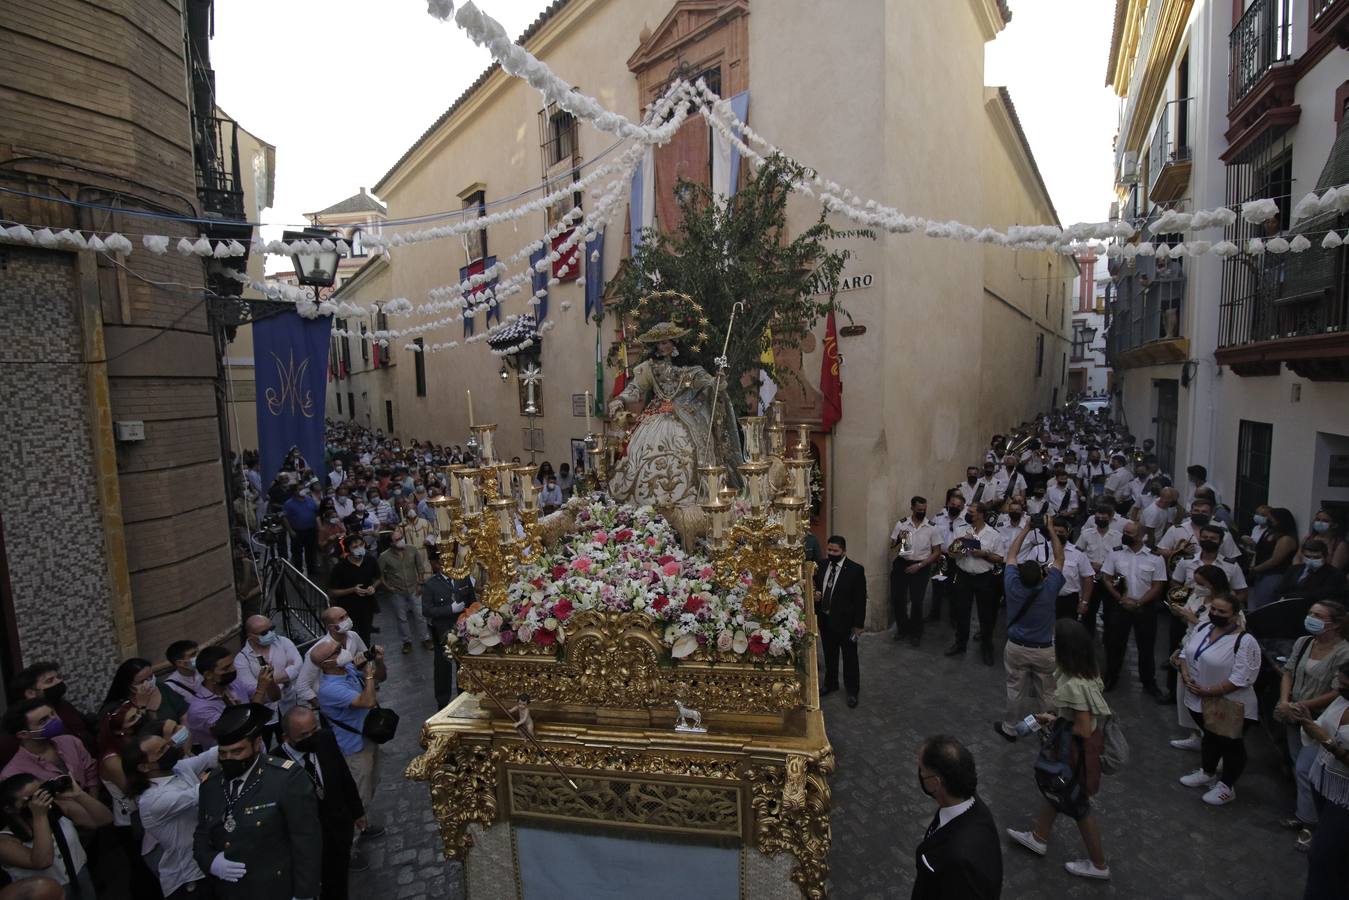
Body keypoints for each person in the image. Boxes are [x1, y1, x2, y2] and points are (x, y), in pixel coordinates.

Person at [1005, 619, 1112, 881]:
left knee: (1079, 805)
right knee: (1056, 792)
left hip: (1075, 751)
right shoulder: (1089, 669)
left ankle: (1099, 865)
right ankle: (1039, 836)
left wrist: (1055, 722)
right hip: (1077, 748)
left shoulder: (1076, 684)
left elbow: (1083, 728)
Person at [607, 321, 745, 507]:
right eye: (659, 343)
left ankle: (695, 499)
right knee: (639, 450)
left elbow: (708, 385)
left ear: (675, 343)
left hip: (686, 418)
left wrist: (717, 382)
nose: (662, 347)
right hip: (656, 419)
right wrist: (620, 399)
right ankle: (645, 501)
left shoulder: (690, 369)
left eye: (666, 342)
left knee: (691, 450)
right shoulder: (649, 368)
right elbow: (635, 388)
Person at [192, 704, 321, 900]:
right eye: (223, 753)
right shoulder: (211, 786)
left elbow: (306, 840)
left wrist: (304, 894)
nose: (229, 759)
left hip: (277, 888)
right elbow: (202, 835)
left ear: (257, 743)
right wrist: (210, 861)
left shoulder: (285, 779)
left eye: (237, 752)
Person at [1275, 601, 1349, 850]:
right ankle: (1303, 814)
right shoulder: (1304, 642)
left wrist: (1302, 706)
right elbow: (1289, 671)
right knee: (1298, 764)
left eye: (1318, 615)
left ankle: (1311, 824)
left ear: (1335, 623)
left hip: (1319, 717)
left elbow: (1338, 691)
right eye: (1310, 613)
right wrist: (1286, 701)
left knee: (1309, 770)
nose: (1311, 618)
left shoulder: (1343, 652)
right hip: (1293, 712)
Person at [1177, 593, 1261, 806]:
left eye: (1222, 611)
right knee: (1210, 737)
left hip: (1230, 704)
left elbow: (1242, 678)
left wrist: (1209, 690)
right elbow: (1186, 653)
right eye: (1213, 609)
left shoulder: (1245, 641)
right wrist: (1186, 675)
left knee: (1230, 744)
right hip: (1199, 699)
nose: (1215, 614)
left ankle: (1227, 785)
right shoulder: (1203, 628)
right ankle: (1207, 772)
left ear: (1235, 615)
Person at [279, 706, 367, 896]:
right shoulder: (276, 761)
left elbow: (344, 775)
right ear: (286, 737)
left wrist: (357, 811)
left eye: (314, 730)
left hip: (337, 829)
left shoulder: (325, 739)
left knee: (338, 884)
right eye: (304, 735)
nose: (312, 737)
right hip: (305, 841)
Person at [122, 728, 218, 899]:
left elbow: (209, 757)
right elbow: (201, 792)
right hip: (189, 881)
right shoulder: (152, 800)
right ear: (144, 766)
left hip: (209, 865)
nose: (170, 750)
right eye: (161, 751)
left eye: (167, 745)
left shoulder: (178, 769)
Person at [993, 519, 1065, 742]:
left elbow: (1012, 554)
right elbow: (1060, 558)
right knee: (1047, 693)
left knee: (1015, 690)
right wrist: (1051, 529)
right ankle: (1048, 730)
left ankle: (1010, 727)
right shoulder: (1049, 588)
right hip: (1044, 650)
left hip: (1016, 647)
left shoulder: (1012, 585)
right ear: (1042, 577)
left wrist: (1026, 528)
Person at [911, 735, 1002, 899]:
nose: (919, 774)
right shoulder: (975, 808)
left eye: (922, 770)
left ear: (935, 783)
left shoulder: (957, 860)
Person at [313, 641, 385, 840]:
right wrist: (368, 674)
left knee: (371, 782)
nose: (342, 651)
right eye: (336, 651)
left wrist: (376, 662)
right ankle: (350, 843)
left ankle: (363, 826)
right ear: (326, 664)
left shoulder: (347, 670)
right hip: (354, 748)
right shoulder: (329, 689)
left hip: (367, 738)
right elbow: (367, 701)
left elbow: (382, 678)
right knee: (358, 794)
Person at [1290, 661, 1349, 898]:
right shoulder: (1342, 700)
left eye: (1345, 683)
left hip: (1345, 799)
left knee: (1323, 857)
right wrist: (1305, 719)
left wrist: (1328, 742)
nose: (1339, 686)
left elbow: (1326, 737)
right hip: (1324, 783)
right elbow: (1321, 726)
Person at [0, 773, 111, 897]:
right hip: (45, 893)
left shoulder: (58, 809)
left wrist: (79, 795)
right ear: (9, 809)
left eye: (41, 792)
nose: (40, 800)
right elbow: (43, 862)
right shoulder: (5, 840)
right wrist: (40, 816)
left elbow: (104, 820)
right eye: (32, 798)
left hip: (80, 876)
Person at [1101, 521, 1167, 698]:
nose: (1125, 535)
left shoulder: (1155, 558)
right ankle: (1111, 677)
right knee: (1115, 644)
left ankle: (1148, 682)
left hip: (1144, 607)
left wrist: (1139, 603)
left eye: (1129, 533)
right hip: (1121, 606)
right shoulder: (1115, 554)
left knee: (1146, 646)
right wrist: (1120, 598)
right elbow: (1106, 578)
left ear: (1140, 536)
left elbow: (1157, 585)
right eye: (1124, 532)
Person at [945, 503, 1004, 666]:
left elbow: (999, 558)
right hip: (963, 575)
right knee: (961, 611)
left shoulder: (994, 535)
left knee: (986, 615)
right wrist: (960, 546)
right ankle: (960, 643)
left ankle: (987, 647)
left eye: (971, 512)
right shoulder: (962, 530)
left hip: (984, 578)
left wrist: (983, 554)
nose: (968, 514)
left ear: (981, 514)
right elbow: (951, 553)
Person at [813, 536, 866, 708]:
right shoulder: (821, 566)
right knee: (829, 654)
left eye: (835, 551)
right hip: (826, 620)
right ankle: (831, 683)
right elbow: (815, 586)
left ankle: (852, 691)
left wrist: (858, 626)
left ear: (843, 551)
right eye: (829, 550)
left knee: (850, 658)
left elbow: (860, 600)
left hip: (846, 623)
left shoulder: (855, 570)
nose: (831, 553)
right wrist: (816, 594)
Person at [422, 548, 476, 709]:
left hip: (463, 632)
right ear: (437, 564)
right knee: (442, 670)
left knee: (464, 667)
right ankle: (442, 702)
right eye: (442, 562)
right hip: (443, 634)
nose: (447, 564)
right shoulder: (431, 585)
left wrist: (469, 614)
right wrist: (449, 610)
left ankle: (464, 696)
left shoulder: (463, 578)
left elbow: (472, 602)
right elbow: (427, 610)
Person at [0, 702, 97, 791]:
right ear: (23, 734)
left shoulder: (71, 741)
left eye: (52, 714)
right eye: (43, 720)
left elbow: (91, 774)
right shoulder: (12, 774)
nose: (54, 720)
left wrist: (93, 804)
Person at [234, 615, 302, 740]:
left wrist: (267, 681)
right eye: (264, 632)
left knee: (293, 739)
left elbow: (297, 666)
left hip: (288, 704)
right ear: (250, 636)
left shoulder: (283, 642)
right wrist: (285, 676)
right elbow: (252, 689)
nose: (271, 633)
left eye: (272, 628)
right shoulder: (242, 659)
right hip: (265, 714)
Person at [186, 646, 268, 750]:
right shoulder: (199, 709)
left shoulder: (234, 684)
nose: (233, 669)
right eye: (226, 668)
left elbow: (273, 697)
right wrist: (261, 689)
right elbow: (236, 732)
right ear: (208, 675)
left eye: (232, 664)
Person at [295, 608, 378, 709]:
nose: (347, 619)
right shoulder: (317, 652)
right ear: (331, 627)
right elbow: (301, 686)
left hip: (355, 694)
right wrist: (323, 707)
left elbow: (365, 657)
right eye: (341, 618)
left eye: (347, 615)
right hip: (335, 700)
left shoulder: (353, 636)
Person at [4, 665, 94, 757]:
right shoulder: (20, 723)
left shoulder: (63, 705)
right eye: (49, 681)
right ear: (30, 693)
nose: (58, 682)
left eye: (58, 677)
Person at [890, 496, 941, 647]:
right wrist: (898, 539)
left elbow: (937, 551)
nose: (922, 512)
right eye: (919, 510)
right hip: (902, 564)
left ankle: (916, 632)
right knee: (898, 599)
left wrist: (920, 565)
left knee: (917, 602)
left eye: (924, 510)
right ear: (912, 508)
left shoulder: (932, 527)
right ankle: (902, 629)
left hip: (921, 566)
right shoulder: (902, 524)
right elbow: (892, 546)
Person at [378, 526, 432, 654]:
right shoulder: (384, 557)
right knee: (401, 617)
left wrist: (420, 583)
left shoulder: (412, 550)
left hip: (414, 588)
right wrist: (388, 587)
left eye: (401, 538)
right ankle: (406, 641)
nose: (400, 541)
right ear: (391, 543)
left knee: (420, 615)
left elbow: (420, 567)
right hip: (397, 592)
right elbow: (379, 575)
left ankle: (425, 638)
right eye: (397, 540)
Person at [328, 536, 383, 646]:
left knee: (365, 636)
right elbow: (332, 592)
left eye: (361, 545)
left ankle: (366, 658)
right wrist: (352, 590)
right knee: (350, 638)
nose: (359, 548)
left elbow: (379, 578)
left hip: (368, 605)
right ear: (348, 550)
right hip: (348, 609)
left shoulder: (370, 560)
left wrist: (373, 587)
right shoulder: (340, 567)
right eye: (355, 547)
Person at [102, 656, 185, 729]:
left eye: (150, 676)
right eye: (141, 681)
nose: (149, 682)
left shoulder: (161, 687)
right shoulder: (120, 708)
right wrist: (142, 705)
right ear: (129, 686)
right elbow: (145, 730)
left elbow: (184, 713)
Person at [1250, 507, 1300, 609]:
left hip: (1274, 575)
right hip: (1260, 573)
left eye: (1271, 518)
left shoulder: (1286, 539)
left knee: (1265, 605)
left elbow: (1275, 560)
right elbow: (1259, 550)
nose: (1269, 520)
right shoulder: (1268, 532)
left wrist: (1256, 569)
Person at [1276, 539, 1348, 606]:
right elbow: (1280, 590)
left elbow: (1320, 595)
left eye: (1316, 557)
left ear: (1325, 556)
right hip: (1288, 606)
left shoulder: (1335, 574)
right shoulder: (1293, 569)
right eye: (1307, 556)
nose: (1311, 560)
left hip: (1314, 608)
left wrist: (1289, 596)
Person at [281, 483, 320, 575]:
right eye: (299, 489)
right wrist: (290, 531)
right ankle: (299, 572)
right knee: (297, 553)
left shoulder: (310, 500)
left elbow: (316, 513)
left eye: (303, 488)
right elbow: (284, 517)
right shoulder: (289, 504)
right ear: (294, 491)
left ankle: (311, 571)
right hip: (297, 532)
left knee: (311, 552)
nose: (302, 491)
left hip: (311, 530)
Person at [159, 641, 202, 714]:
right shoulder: (171, 687)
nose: (199, 656)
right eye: (193, 655)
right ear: (180, 663)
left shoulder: (204, 670)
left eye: (198, 652)